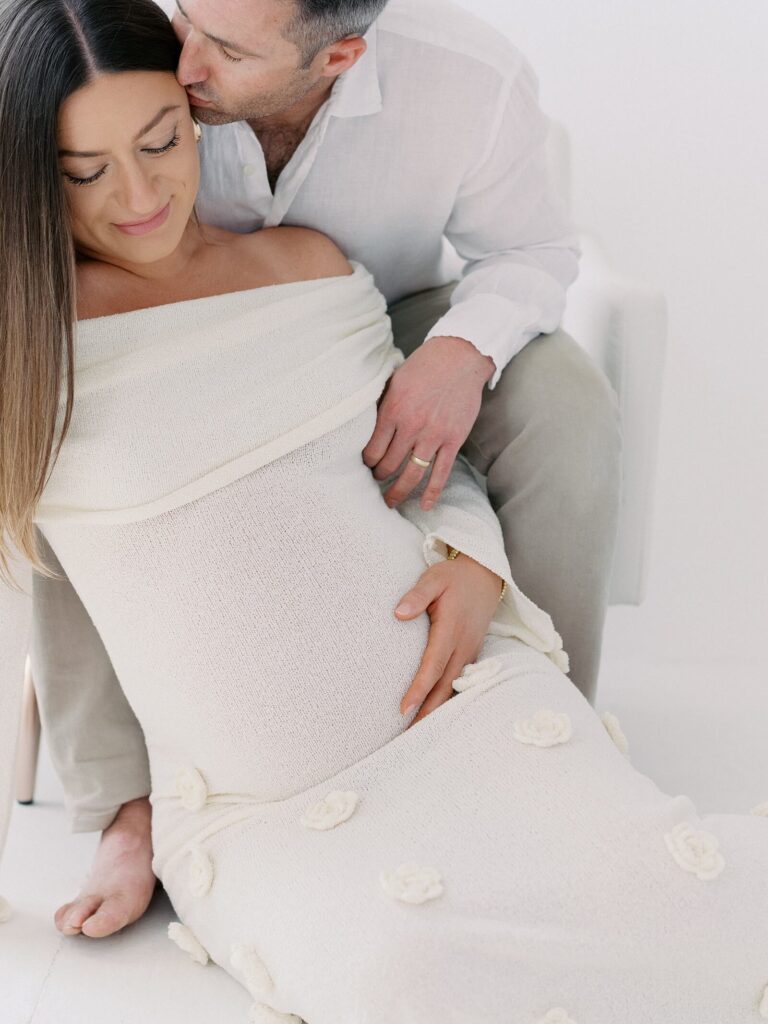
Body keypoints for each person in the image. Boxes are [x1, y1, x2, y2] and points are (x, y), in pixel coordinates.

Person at [1, 3, 768, 1022]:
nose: (139, 193)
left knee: (686, 909)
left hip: (453, 707)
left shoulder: (315, 252)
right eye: (86, 171)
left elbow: (408, 452)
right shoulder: (34, 336)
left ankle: (564, 741)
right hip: (263, 804)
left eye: (163, 139)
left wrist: (473, 553)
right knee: (410, 978)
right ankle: (124, 814)